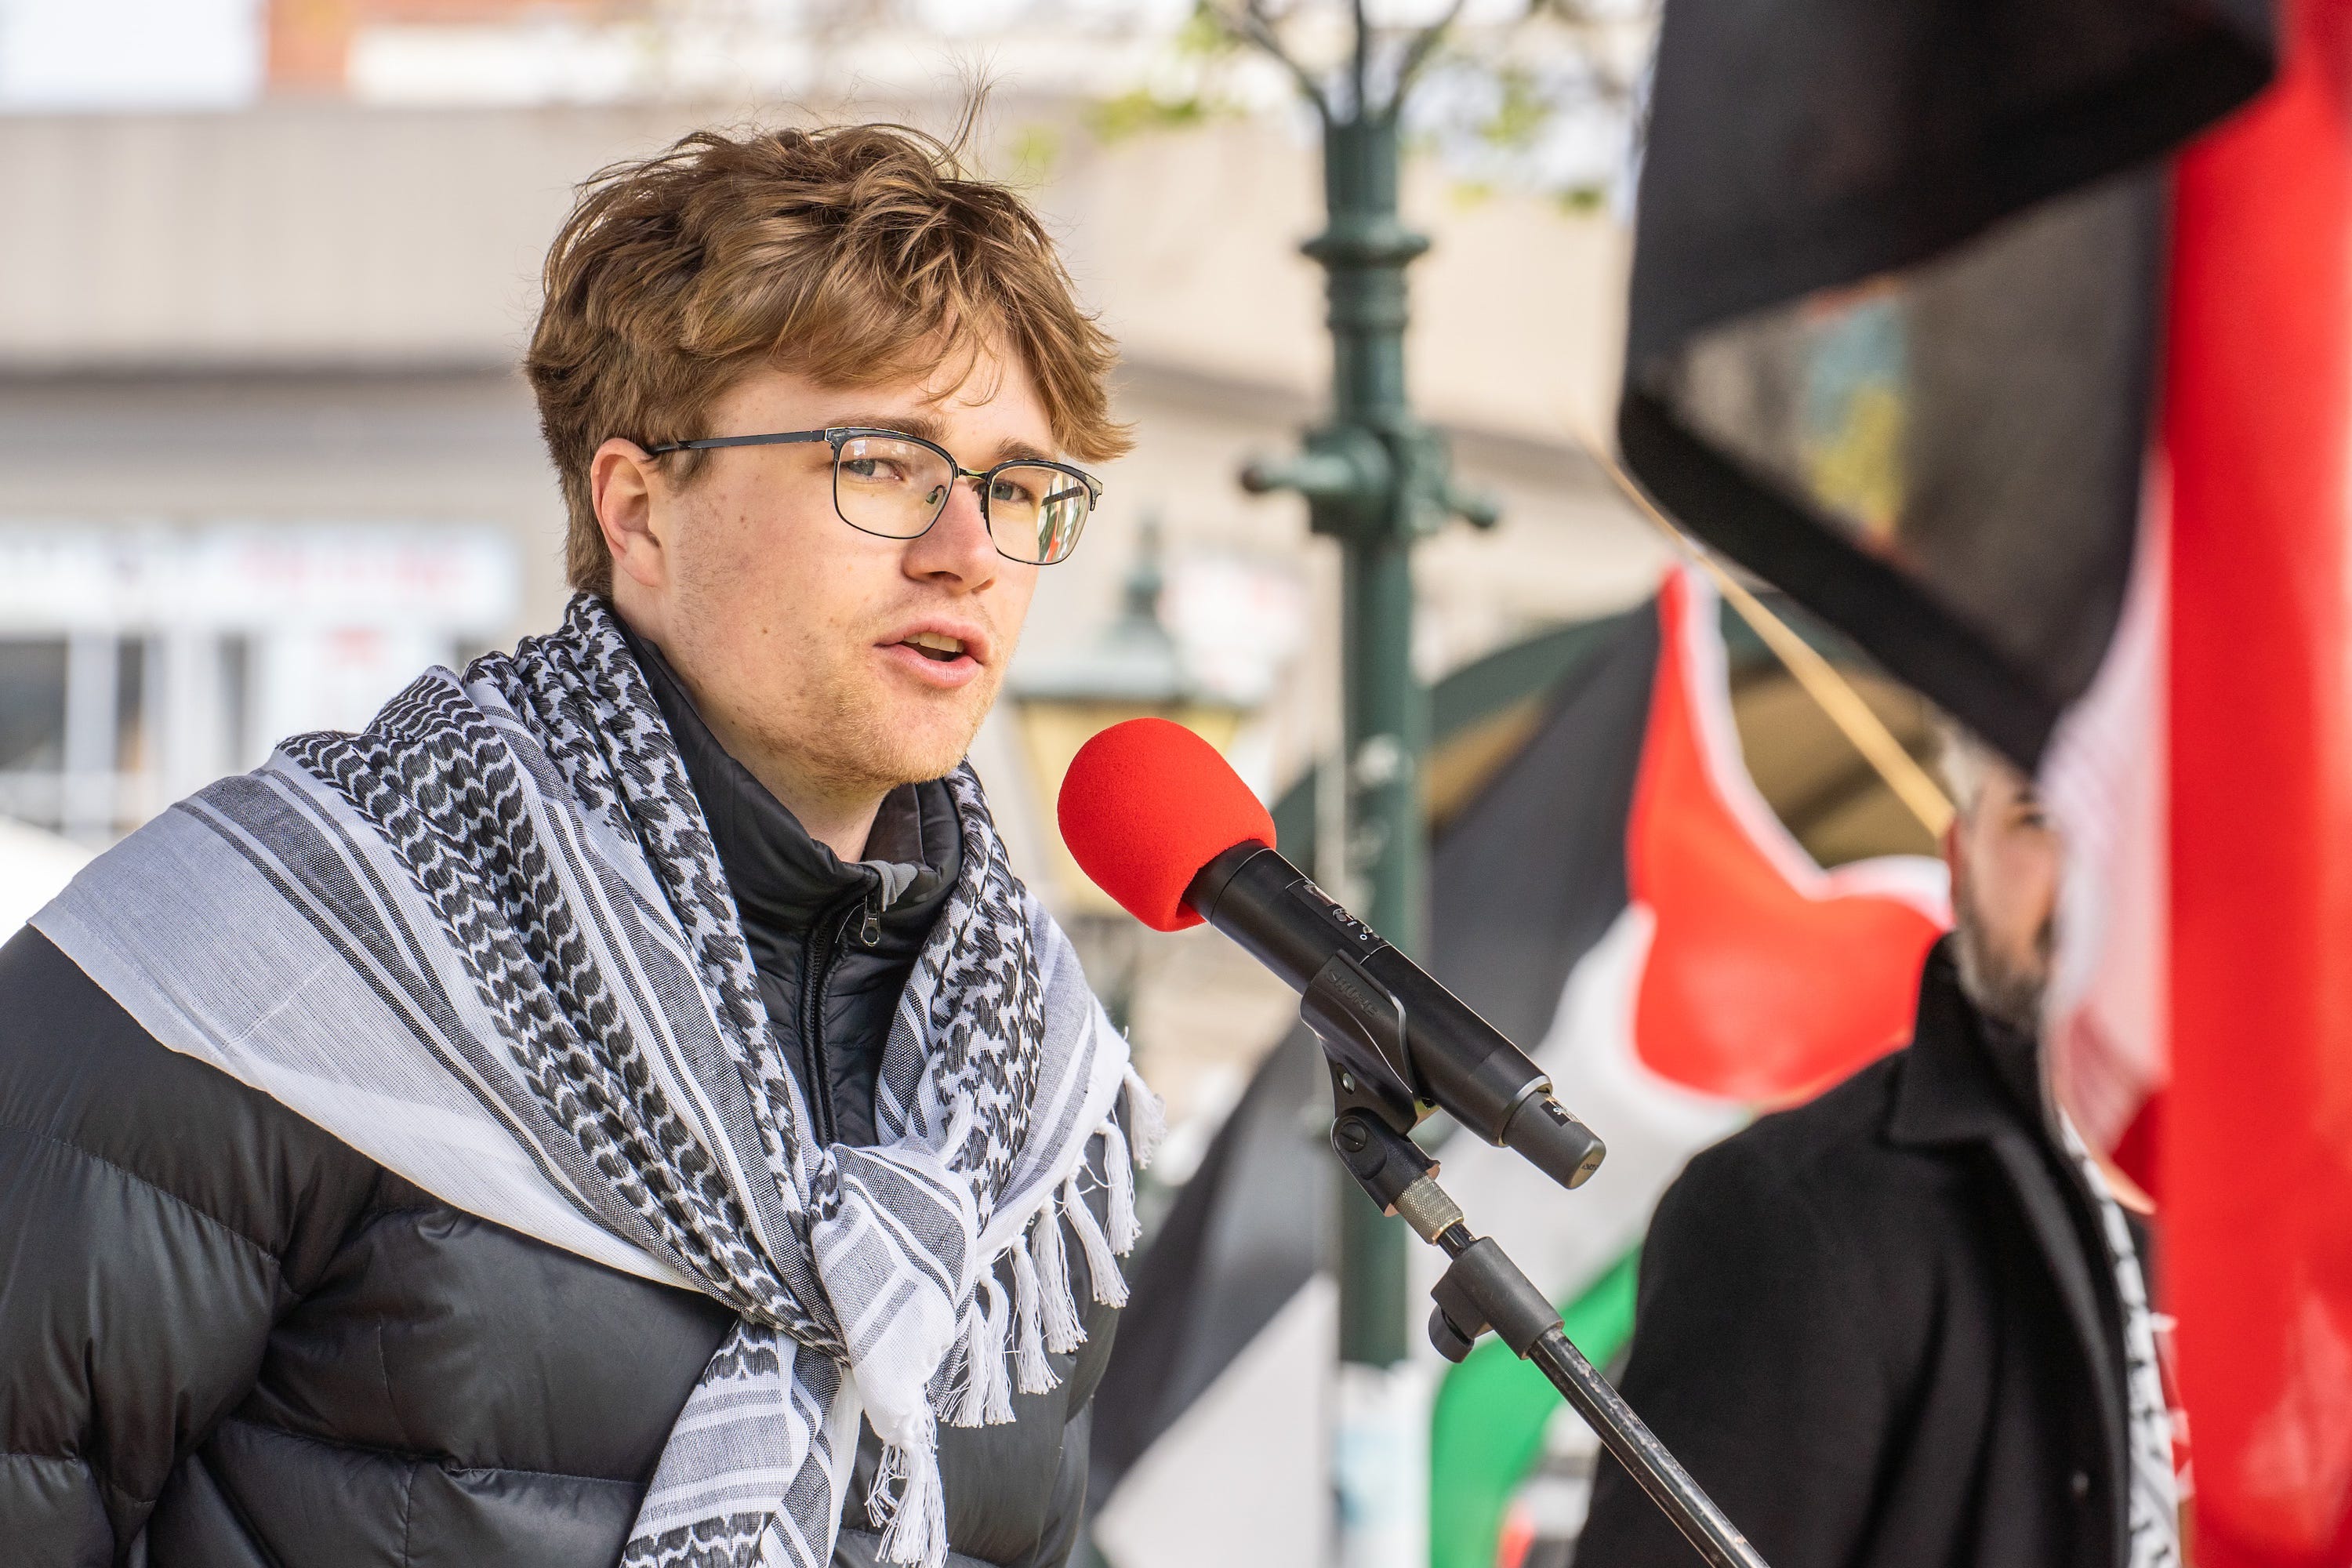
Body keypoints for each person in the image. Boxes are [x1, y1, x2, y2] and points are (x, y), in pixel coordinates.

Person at [0, 122, 1156, 1568]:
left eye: (1017, 487)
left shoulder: (1037, 1098)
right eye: (882, 465)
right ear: (638, 510)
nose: (968, 553)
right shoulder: (255, 955)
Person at [1572, 732, 2180, 1568]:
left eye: (2139, 814)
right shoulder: (1794, 1215)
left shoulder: (2312, 1216)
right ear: (1961, 860)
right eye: (2040, 816)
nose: (2094, 873)